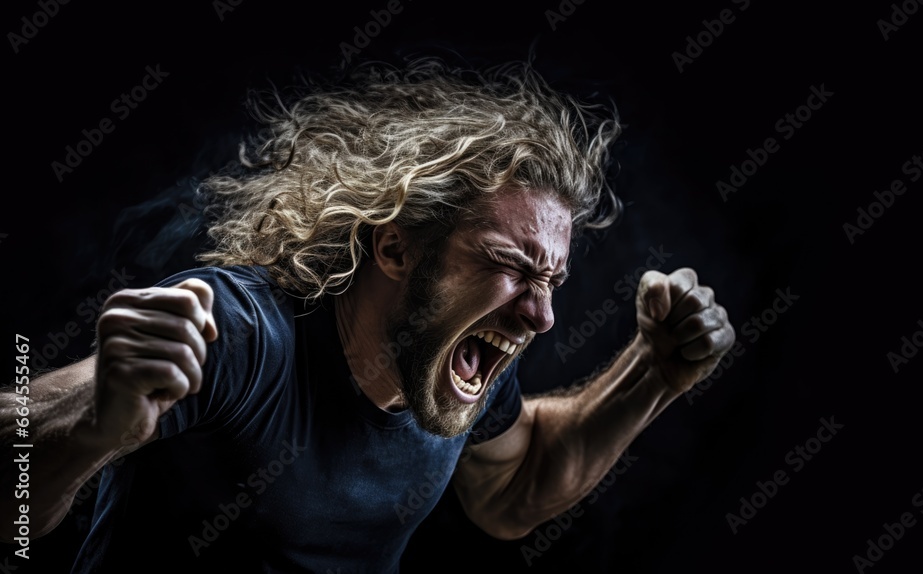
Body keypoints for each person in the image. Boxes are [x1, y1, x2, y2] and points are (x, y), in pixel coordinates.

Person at [0, 58, 734, 571]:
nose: (541, 316)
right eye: (512, 265)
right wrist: (94, 422)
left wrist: (655, 371)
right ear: (396, 248)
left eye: (551, 279)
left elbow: (515, 485)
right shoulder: (241, 335)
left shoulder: (457, 363)